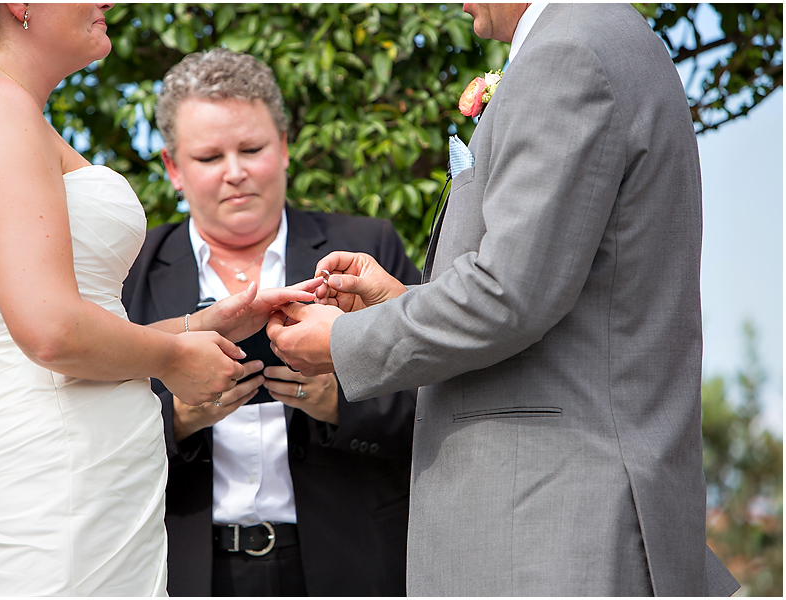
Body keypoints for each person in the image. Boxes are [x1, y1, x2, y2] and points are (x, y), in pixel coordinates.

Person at [267, 3, 741, 596]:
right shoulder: (602, 38)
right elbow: (554, 291)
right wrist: (395, 303)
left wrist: (341, 342)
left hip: (551, 525)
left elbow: (508, 296)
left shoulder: (570, 52)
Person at [0, 5, 315, 596]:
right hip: (45, 487)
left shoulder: (5, 113)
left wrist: (199, 325)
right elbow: (49, 330)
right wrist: (175, 361)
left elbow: (70, 318)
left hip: (89, 484)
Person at [121, 48, 420, 596]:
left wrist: (337, 401)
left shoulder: (368, 250)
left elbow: (436, 399)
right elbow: (89, 425)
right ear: (174, 169)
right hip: (185, 571)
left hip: (349, 563)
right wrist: (180, 417)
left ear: (283, 148)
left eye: (252, 149)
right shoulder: (131, 272)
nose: (235, 173)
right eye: (209, 157)